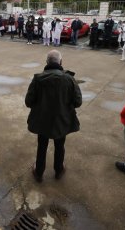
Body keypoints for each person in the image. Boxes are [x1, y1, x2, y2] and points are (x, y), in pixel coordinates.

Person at [25, 50, 82, 182]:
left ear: (47, 62)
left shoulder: (38, 79)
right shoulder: (69, 79)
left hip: (42, 120)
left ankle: (39, 172)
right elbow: (78, 102)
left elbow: (28, 101)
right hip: (62, 120)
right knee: (60, 146)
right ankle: (59, 170)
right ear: (61, 62)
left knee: (42, 146)